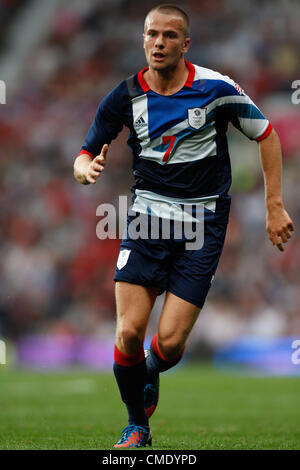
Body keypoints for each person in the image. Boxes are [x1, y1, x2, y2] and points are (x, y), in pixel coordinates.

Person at [73, 4, 294, 448]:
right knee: (128, 332)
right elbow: (85, 152)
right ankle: (137, 425)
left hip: (201, 226)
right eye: (152, 34)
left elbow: (266, 134)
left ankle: (148, 372)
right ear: (143, 40)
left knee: (169, 345)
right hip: (146, 221)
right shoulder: (124, 96)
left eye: (169, 36)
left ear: (185, 44)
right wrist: (84, 170)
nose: (159, 42)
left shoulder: (216, 89)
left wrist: (274, 205)